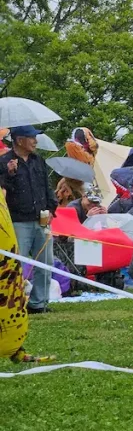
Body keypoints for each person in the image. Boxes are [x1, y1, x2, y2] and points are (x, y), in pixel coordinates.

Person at [0, 126, 58, 314]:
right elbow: (2, 192)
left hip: (42, 219)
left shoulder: (38, 160)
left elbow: (46, 186)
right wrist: (9, 174)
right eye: (32, 138)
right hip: (18, 221)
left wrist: (51, 208)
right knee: (15, 266)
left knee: (45, 262)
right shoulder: (4, 162)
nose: (35, 141)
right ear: (19, 140)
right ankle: (11, 302)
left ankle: (39, 303)